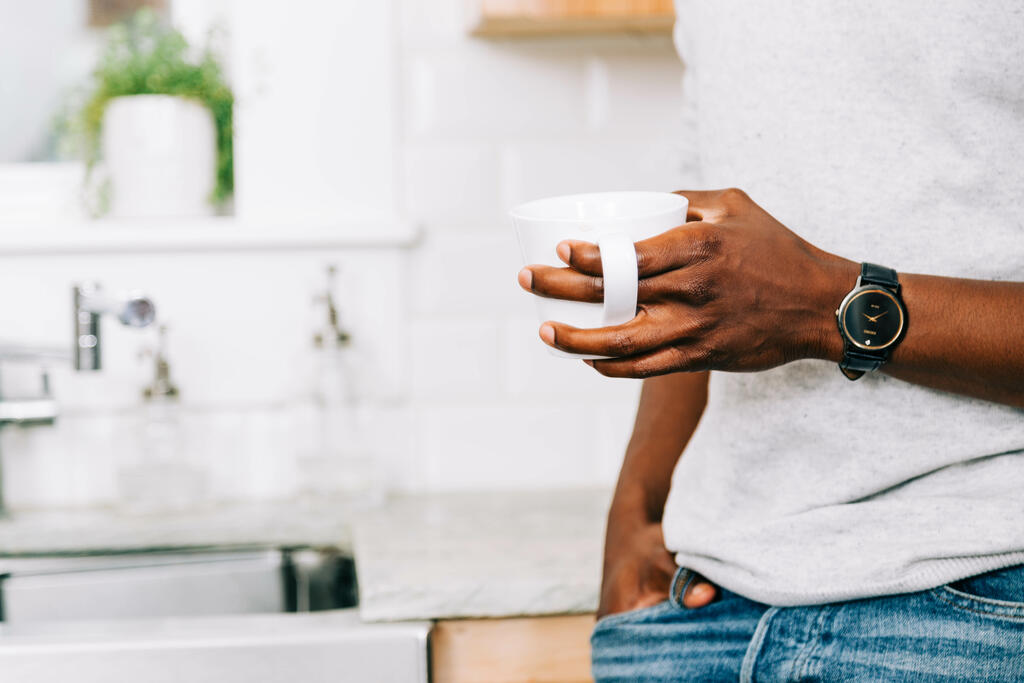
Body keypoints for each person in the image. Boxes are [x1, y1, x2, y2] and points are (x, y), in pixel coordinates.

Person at [517, 2, 1024, 680]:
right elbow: (705, 249)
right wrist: (634, 510)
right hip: (692, 607)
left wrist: (824, 304)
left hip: (975, 595)